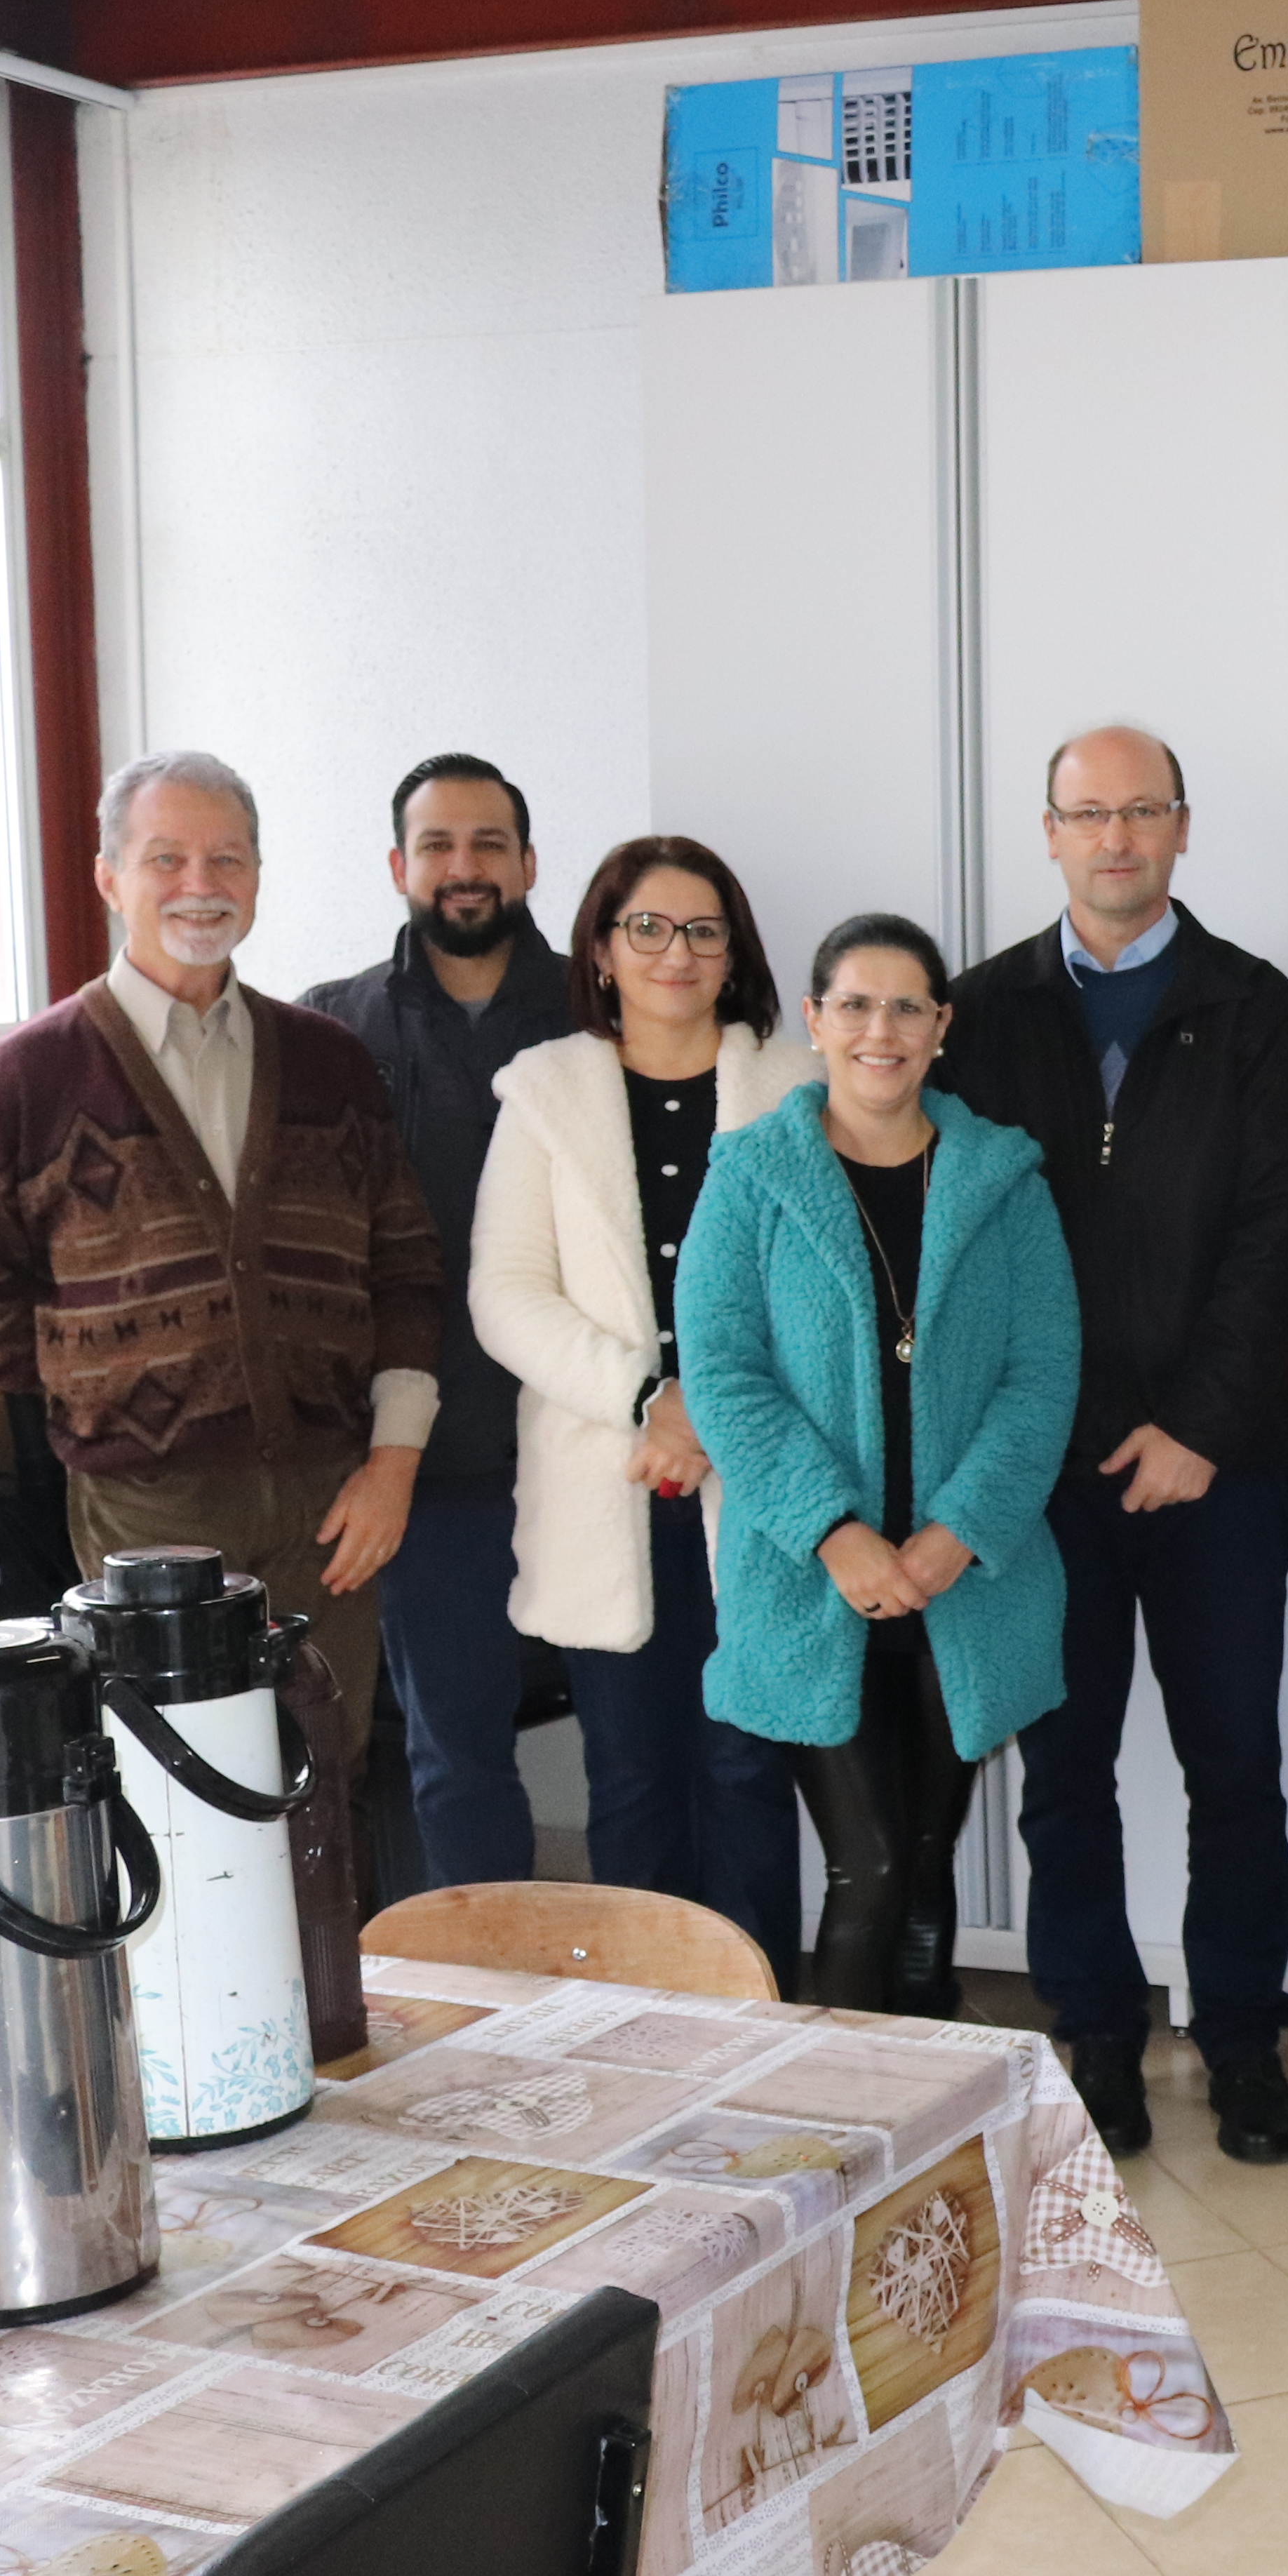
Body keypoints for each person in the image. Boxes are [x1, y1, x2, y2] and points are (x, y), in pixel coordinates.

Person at [0, 748, 443, 1900]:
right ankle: (192, 2066)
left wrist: (394, 1460)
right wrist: (97, 1390)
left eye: (226, 858)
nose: (199, 883)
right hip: (151, 1509)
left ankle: (325, 2042)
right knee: (174, 1790)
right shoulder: (21, 1080)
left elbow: (406, 1267)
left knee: (321, 1778)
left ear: (258, 878)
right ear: (110, 876)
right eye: (167, 858)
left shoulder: (330, 1064)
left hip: (331, 1499)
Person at [941, 726, 1288, 2161]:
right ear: (1047, 832)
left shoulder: (1254, 1008)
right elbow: (967, 1250)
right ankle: (1093, 2034)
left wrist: (1202, 1427)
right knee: (1065, 1771)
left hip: (1217, 1471)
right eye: (1087, 814)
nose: (1115, 838)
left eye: (1140, 811)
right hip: (1039, 1474)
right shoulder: (980, 1013)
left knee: (1235, 1767)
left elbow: (1278, 1245)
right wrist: (1041, 1437)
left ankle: (1240, 2041)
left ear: (1181, 826)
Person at [676, 914, 1078, 2018]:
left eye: (907, 1006)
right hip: (818, 1584)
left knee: (930, 1862)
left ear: (942, 1027)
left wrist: (955, 1535)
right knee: (873, 1869)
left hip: (963, 1584)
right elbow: (722, 1376)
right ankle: (843, 2137)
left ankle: (928, 2103)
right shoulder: (751, 1178)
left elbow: (1042, 1378)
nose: (880, 1030)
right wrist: (835, 1532)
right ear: (814, 1021)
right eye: (854, 1004)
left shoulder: (1004, 1179)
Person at [472, 837, 817, 1983]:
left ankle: (760, 2022)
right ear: (604, 951)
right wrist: (646, 1400)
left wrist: (718, 1413)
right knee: (629, 1776)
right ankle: (646, 2033)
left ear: (736, 954)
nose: (678, 953)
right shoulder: (545, 1092)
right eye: (649, 929)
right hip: (611, 1485)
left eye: (704, 930)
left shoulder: (795, 1086)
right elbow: (506, 1295)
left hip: (757, 1485)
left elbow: (833, 1284)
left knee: (747, 1768)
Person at [304, 753, 579, 1893]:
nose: (462, 870)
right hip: (431, 1459)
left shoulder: (601, 1009)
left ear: (527, 862)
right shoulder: (332, 1030)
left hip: (599, 1442)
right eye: (436, 847)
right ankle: (493, 2021)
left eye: (486, 845)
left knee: (644, 1749)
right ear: (397, 866)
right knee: (454, 1755)